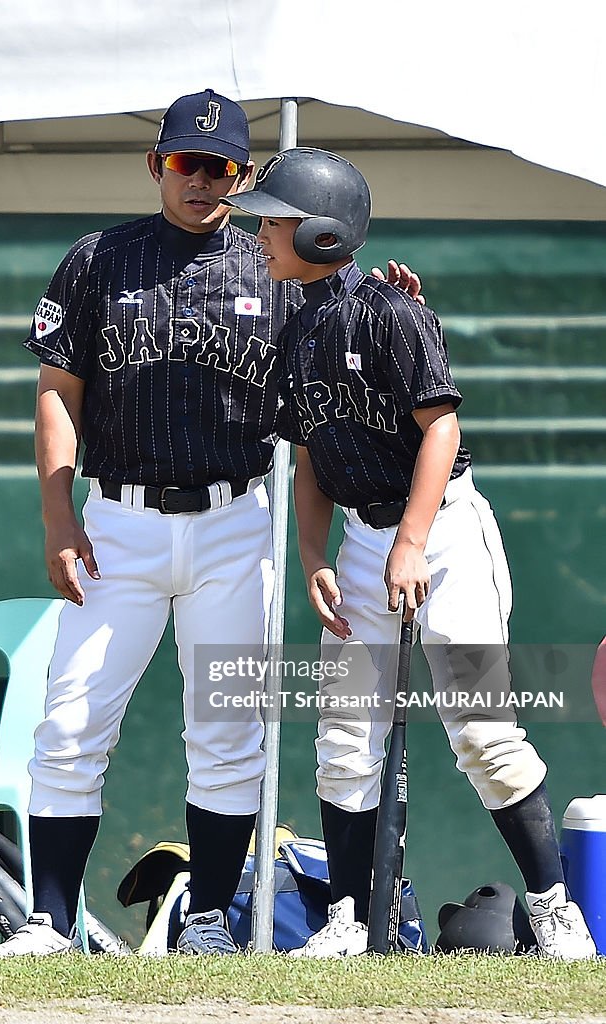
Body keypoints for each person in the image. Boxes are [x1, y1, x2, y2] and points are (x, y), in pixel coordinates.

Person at [0, 92, 423, 958]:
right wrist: (58, 515)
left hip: (233, 520)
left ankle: (211, 919)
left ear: (245, 176)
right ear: (157, 166)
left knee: (227, 728)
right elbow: (58, 395)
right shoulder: (99, 259)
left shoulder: (273, 261)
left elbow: (354, 332)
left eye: (221, 165)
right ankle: (48, 922)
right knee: (70, 720)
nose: (203, 179)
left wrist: (395, 296)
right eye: (187, 162)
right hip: (118, 521)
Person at [222, 147, 597, 961]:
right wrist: (316, 553)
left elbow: (442, 428)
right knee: (345, 737)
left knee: (482, 734)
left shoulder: (391, 310)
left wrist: (414, 541)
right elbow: (311, 456)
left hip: (444, 531)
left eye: (275, 224)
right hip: (362, 537)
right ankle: (349, 920)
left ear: (324, 234)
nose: (261, 237)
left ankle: (555, 905)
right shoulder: (296, 325)